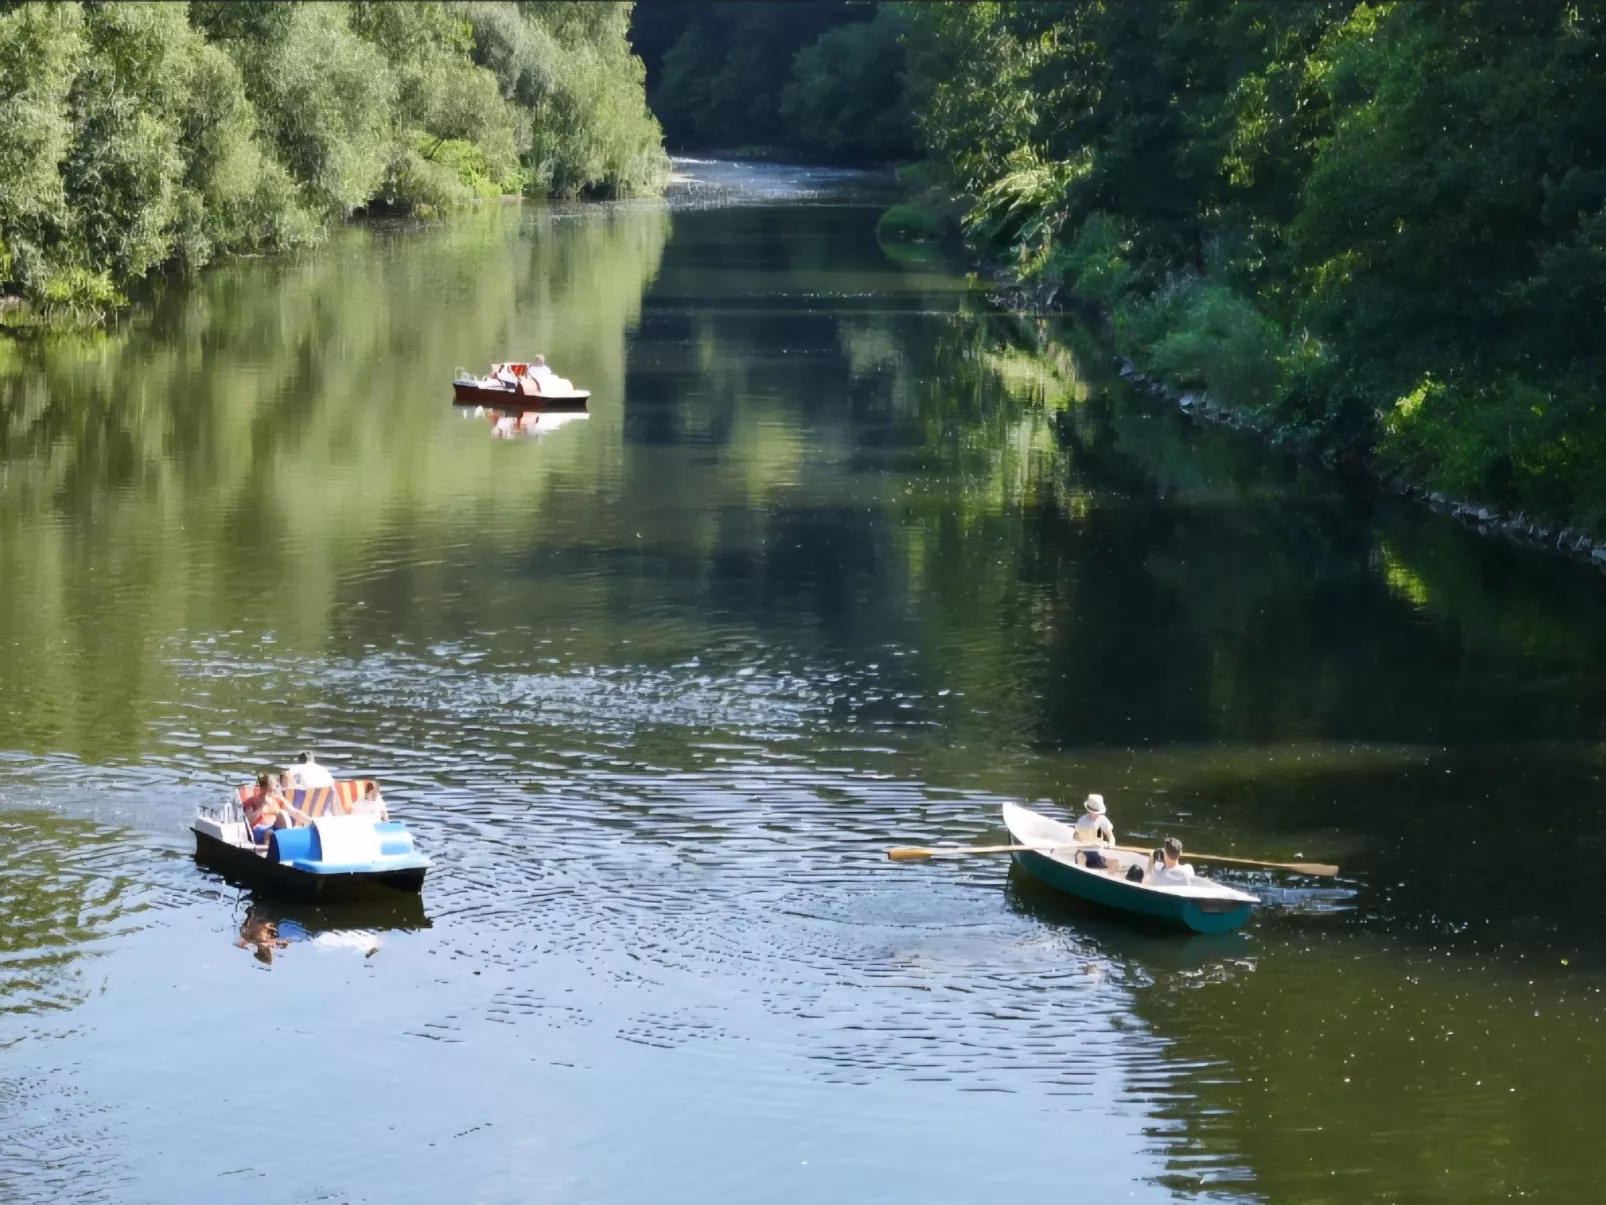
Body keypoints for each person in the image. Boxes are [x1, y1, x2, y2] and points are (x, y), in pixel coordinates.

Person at [243, 773, 308, 844]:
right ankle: (272, 845)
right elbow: (248, 820)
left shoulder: (277, 799)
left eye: (273, 790)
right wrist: (261, 808)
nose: (271, 793)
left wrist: (311, 821)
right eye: (268, 790)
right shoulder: (252, 801)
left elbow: (294, 812)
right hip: (258, 830)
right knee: (270, 833)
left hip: (275, 828)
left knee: (282, 814)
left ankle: (285, 842)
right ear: (262, 788)